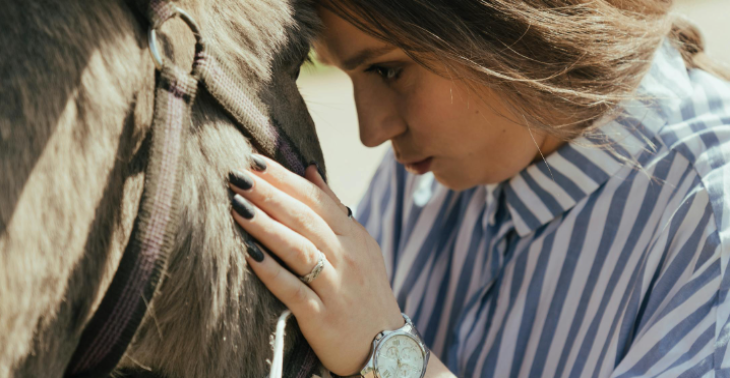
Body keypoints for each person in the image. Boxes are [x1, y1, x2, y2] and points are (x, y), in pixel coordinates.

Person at [227, 0, 730, 377]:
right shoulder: (428, 176)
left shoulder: (709, 213)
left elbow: (369, 340)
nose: (371, 131)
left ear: (511, 24)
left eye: (387, 70)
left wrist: (385, 353)